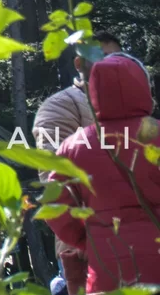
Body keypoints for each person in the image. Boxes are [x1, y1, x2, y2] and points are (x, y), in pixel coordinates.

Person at [46, 52, 160, 292]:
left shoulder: (73, 146)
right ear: (142, 88)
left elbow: (55, 206)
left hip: (106, 274)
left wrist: (88, 242)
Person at [33, 33, 123, 293]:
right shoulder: (60, 107)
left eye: (116, 58)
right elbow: (55, 178)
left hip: (135, 241)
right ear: (79, 64)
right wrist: (84, 239)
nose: (109, 65)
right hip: (85, 246)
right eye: (100, 57)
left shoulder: (130, 109)